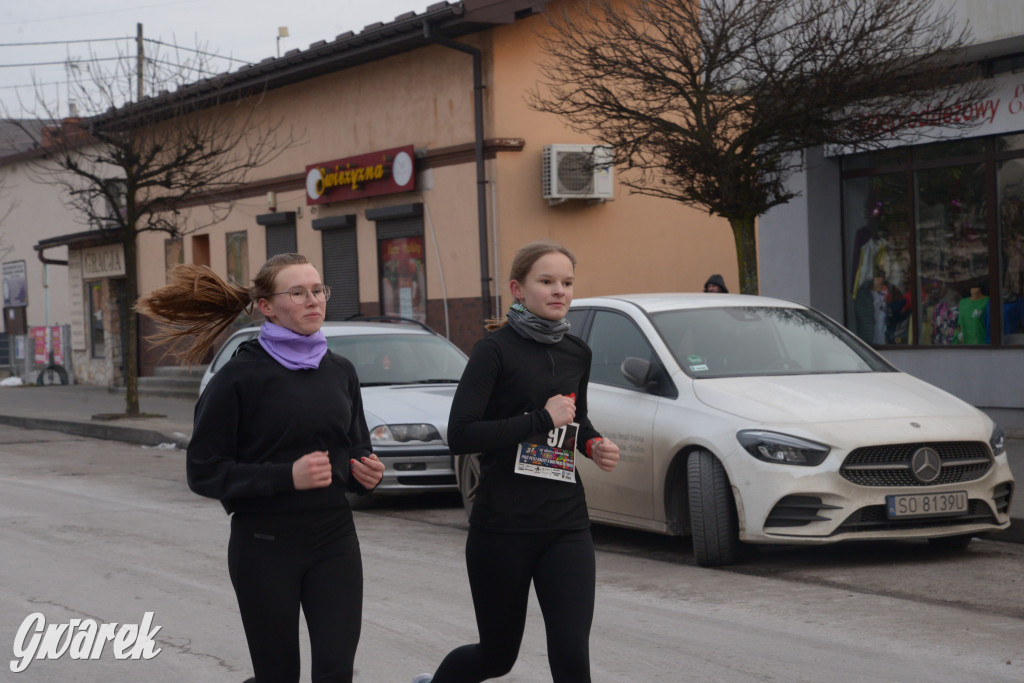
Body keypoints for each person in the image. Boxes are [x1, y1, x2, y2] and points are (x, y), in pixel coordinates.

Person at [135, 253, 384, 682]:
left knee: (335, 670)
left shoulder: (340, 371)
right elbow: (204, 471)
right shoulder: (237, 378)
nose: (314, 301)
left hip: (334, 538)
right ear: (266, 306)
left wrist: (366, 474)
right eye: (298, 292)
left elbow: (355, 449)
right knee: (277, 675)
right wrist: (286, 476)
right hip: (265, 545)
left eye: (318, 290)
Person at [413, 241, 620, 683]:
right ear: (518, 289)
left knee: (570, 658)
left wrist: (593, 443)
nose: (559, 291)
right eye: (546, 281)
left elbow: (574, 417)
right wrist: (540, 418)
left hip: (566, 525)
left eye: (566, 282)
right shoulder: (494, 351)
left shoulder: (576, 352)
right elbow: (461, 434)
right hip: (502, 527)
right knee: (496, 657)